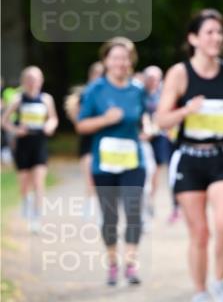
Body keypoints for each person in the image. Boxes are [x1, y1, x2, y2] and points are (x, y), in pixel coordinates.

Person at [156, 9, 223, 302]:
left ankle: (220, 282)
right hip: (190, 158)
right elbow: (161, 119)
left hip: (222, 156)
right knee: (200, 233)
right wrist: (186, 111)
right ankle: (199, 293)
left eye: (219, 33)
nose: (216, 38)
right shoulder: (179, 74)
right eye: (209, 32)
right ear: (193, 38)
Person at [76, 39, 147, 285]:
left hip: (133, 161)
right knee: (110, 217)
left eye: (126, 58)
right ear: (106, 61)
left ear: (131, 62)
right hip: (104, 163)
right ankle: (113, 263)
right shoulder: (95, 90)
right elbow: (81, 125)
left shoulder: (138, 89)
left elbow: (144, 118)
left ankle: (131, 264)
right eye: (116, 58)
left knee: (134, 212)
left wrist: (147, 128)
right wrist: (105, 120)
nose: (121, 62)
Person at [1, 66, 58, 231]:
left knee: (39, 182)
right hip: (23, 145)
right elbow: (4, 121)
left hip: (40, 143)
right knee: (24, 184)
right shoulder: (18, 99)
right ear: (25, 82)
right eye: (30, 79)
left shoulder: (46, 99)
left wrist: (49, 126)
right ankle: (26, 202)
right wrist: (16, 130)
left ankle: (36, 218)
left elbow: (53, 118)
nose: (34, 83)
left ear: (41, 81)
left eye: (37, 79)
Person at [64, 61, 104, 219]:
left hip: (104, 141)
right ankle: (89, 203)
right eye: (97, 75)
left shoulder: (110, 94)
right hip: (88, 141)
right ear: (91, 76)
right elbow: (77, 119)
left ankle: (100, 207)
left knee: (102, 177)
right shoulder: (84, 95)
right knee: (89, 175)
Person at [142, 66, 172, 218]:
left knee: (156, 171)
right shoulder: (140, 94)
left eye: (156, 78)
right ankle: (144, 198)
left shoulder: (163, 94)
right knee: (146, 170)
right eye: (150, 78)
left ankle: (150, 199)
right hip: (143, 137)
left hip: (159, 137)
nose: (153, 81)